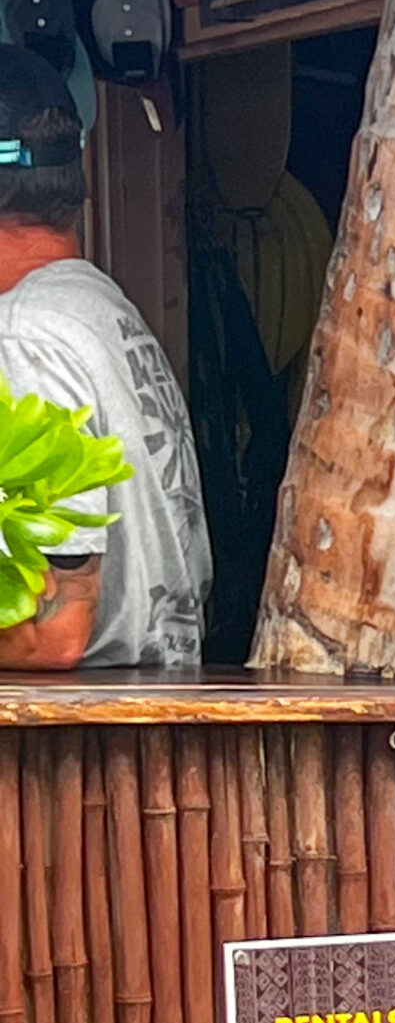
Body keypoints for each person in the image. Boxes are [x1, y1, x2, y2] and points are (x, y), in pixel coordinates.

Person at [0, 45, 210, 668]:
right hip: (149, 729)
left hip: (78, 745)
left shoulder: (23, 338)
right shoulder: (98, 306)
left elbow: (55, 630)